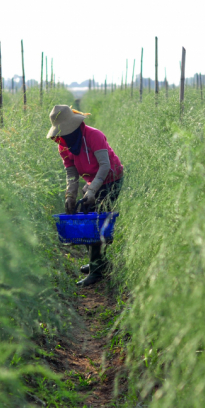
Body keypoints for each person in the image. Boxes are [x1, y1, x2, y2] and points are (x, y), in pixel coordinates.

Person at [46, 105, 124, 287]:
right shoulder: (64, 145)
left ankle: (97, 271)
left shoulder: (93, 135)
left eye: (64, 133)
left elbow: (105, 166)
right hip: (92, 181)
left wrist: (91, 191)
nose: (62, 138)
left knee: (96, 220)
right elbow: (71, 173)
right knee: (85, 213)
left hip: (111, 178)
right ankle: (97, 261)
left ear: (73, 127)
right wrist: (70, 195)